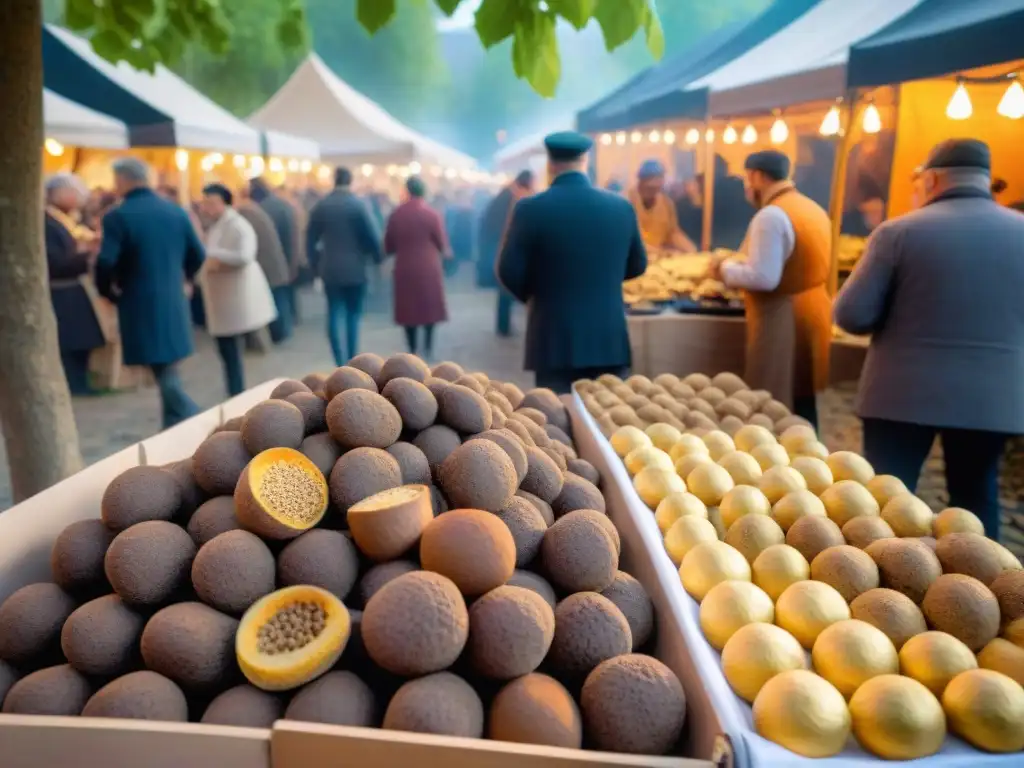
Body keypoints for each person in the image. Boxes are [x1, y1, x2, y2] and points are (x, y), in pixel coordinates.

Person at [834, 139, 1024, 540]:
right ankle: (981, 593)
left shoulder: (899, 232)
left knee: (884, 499)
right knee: (976, 496)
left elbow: (852, 314)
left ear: (933, 178)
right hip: (992, 396)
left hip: (901, 393)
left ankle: (875, 590)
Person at [497, 132, 647, 393]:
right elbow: (638, 265)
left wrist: (540, 296)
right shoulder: (621, 207)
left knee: (557, 425)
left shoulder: (530, 208)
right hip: (607, 339)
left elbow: (508, 270)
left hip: (553, 338)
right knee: (606, 422)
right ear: (585, 160)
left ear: (550, 164)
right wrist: (603, 280)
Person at [711, 150, 832, 429]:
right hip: (812, 311)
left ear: (756, 176)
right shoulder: (810, 207)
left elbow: (765, 277)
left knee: (773, 401)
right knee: (803, 398)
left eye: (746, 179)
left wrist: (724, 270)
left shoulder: (772, 215)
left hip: (783, 316)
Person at [95, 158, 205, 428]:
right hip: (172, 296)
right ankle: (173, 424)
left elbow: (105, 261)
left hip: (138, 299)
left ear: (122, 180)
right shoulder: (175, 211)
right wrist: (186, 278)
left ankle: (193, 417)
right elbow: (198, 253)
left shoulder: (117, 216)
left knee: (162, 365)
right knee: (166, 362)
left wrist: (107, 291)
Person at [198, 184, 277, 397]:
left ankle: (237, 393)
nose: (207, 207)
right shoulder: (219, 225)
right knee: (228, 351)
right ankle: (235, 391)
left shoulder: (237, 225)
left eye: (212, 203)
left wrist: (212, 253)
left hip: (234, 299)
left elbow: (244, 255)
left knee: (232, 351)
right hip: (225, 298)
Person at [307, 167, 384, 365]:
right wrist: (376, 257)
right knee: (353, 314)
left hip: (330, 268)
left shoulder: (322, 205)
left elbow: (309, 239)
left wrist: (315, 266)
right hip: (356, 267)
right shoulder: (358, 205)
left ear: (334, 180)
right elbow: (372, 236)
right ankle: (351, 357)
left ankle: (339, 359)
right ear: (350, 181)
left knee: (333, 311)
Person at [44, 174, 106, 396]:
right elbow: (55, 262)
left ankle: (80, 382)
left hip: (71, 290)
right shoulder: (48, 223)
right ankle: (75, 384)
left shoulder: (60, 220)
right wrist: (87, 255)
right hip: (62, 292)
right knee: (71, 343)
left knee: (81, 341)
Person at [384, 176, 452, 359]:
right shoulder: (432, 214)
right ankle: (428, 348)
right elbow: (441, 243)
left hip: (404, 266)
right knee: (429, 308)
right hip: (428, 266)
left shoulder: (396, 214)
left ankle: (412, 349)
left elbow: (388, 245)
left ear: (407, 190)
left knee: (409, 310)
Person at [479, 170, 534, 336]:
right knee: (504, 288)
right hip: (501, 246)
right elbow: (506, 224)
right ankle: (503, 327)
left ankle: (504, 325)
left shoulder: (507, 194)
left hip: (498, 245)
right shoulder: (511, 196)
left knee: (505, 289)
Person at [237, 188, 292, 344]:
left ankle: (279, 334)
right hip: (274, 264)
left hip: (268, 266)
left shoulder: (247, 214)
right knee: (278, 298)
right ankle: (281, 332)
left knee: (275, 301)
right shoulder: (256, 212)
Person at [250, 178, 301, 329]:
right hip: (286, 251)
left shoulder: (262, 208)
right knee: (286, 290)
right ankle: (291, 319)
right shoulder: (282, 205)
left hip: (273, 255)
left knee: (276, 293)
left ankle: (282, 327)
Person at [627, 160, 696, 253]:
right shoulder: (626, 203)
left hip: (659, 260)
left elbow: (672, 232)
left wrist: (689, 248)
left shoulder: (666, 203)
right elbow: (627, 240)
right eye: (649, 187)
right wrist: (660, 252)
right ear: (640, 182)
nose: (652, 192)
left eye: (656, 188)